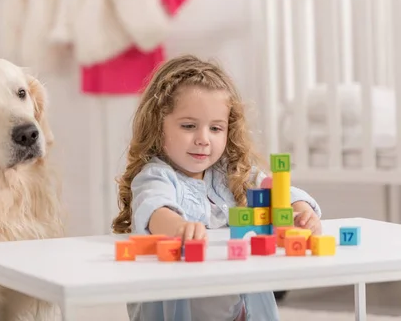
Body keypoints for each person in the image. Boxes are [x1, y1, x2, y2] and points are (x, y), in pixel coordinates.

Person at [111, 54, 322, 321]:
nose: (203, 139)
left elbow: (275, 188)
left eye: (215, 128)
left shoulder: (230, 172)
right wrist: (177, 227)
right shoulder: (157, 175)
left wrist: (300, 210)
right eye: (189, 126)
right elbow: (154, 208)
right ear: (158, 128)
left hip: (239, 310)